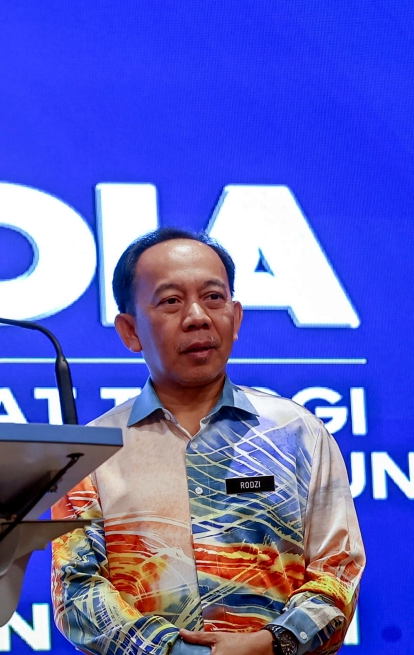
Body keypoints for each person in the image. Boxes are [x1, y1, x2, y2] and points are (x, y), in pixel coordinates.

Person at [51, 228, 364, 655]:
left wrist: (270, 644)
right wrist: (179, 653)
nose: (197, 316)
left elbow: (338, 569)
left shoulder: (298, 433)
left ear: (236, 318)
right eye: (171, 301)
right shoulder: (91, 453)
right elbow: (77, 592)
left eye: (213, 297)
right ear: (130, 330)